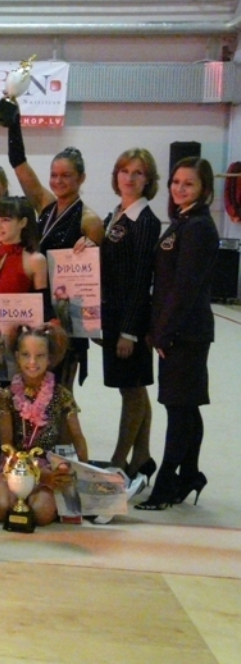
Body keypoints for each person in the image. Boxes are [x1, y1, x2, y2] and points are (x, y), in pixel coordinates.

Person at [137, 157, 219, 511]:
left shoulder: (198, 227)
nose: (180, 188)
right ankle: (190, 474)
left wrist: (164, 333)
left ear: (204, 189)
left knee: (178, 410)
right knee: (186, 407)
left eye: (189, 183)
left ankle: (166, 485)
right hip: (179, 331)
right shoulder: (183, 221)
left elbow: (185, 288)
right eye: (176, 182)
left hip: (185, 334)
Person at [7, 119, 104, 388]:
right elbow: (18, 163)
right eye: (54, 175)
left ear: (81, 178)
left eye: (66, 175)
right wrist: (14, 122)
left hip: (65, 312)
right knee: (34, 383)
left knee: (60, 388)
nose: (58, 181)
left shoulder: (89, 220)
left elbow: (93, 278)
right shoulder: (45, 204)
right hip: (39, 305)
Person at [92, 149, 162, 482]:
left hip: (129, 320)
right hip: (113, 315)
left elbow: (140, 279)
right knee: (134, 388)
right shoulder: (117, 214)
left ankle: (119, 460)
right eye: (124, 171)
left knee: (131, 390)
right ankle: (142, 456)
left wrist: (129, 331)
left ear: (148, 180)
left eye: (138, 172)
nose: (129, 178)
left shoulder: (146, 221)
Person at [0, 324, 89, 527]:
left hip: (47, 468)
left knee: (40, 513)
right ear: (17, 357)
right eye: (26, 355)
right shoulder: (7, 395)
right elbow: (7, 446)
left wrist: (84, 475)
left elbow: (78, 438)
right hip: (12, 466)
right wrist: (31, 473)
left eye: (40, 356)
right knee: (1, 507)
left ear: (49, 359)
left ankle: (38, 501)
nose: (32, 362)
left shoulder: (61, 395)